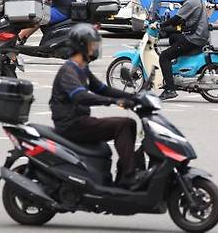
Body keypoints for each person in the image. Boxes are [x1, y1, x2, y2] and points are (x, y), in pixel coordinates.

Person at [49, 23, 146, 189]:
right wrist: (114, 102)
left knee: (129, 124)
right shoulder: (69, 71)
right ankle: (129, 176)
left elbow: (103, 89)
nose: (95, 48)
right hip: (71, 125)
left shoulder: (82, 68)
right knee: (123, 125)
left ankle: (127, 172)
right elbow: (80, 96)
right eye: (92, 45)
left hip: (80, 121)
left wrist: (135, 96)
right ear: (81, 46)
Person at [157, 0, 210, 101]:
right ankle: (177, 68)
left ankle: (170, 89)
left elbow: (176, 20)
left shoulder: (191, 2)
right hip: (199, 36)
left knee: (164, 56)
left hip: (194, 38)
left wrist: (160, 25)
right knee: (174, 38)